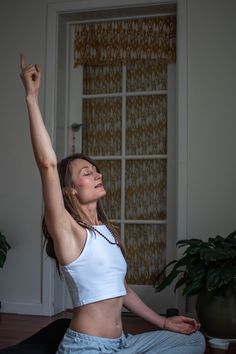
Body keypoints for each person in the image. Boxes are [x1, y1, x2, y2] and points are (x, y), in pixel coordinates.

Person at [20, 54, 205, 354]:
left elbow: (122, 289)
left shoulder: (107, 231)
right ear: (69, 190)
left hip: (122, 344)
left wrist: (162, 322)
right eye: (86, 173)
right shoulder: (68, 232)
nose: (97, 174)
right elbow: (47, 165)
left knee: (193, 340)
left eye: (96, 170)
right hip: (87, 348)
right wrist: (31, 97)